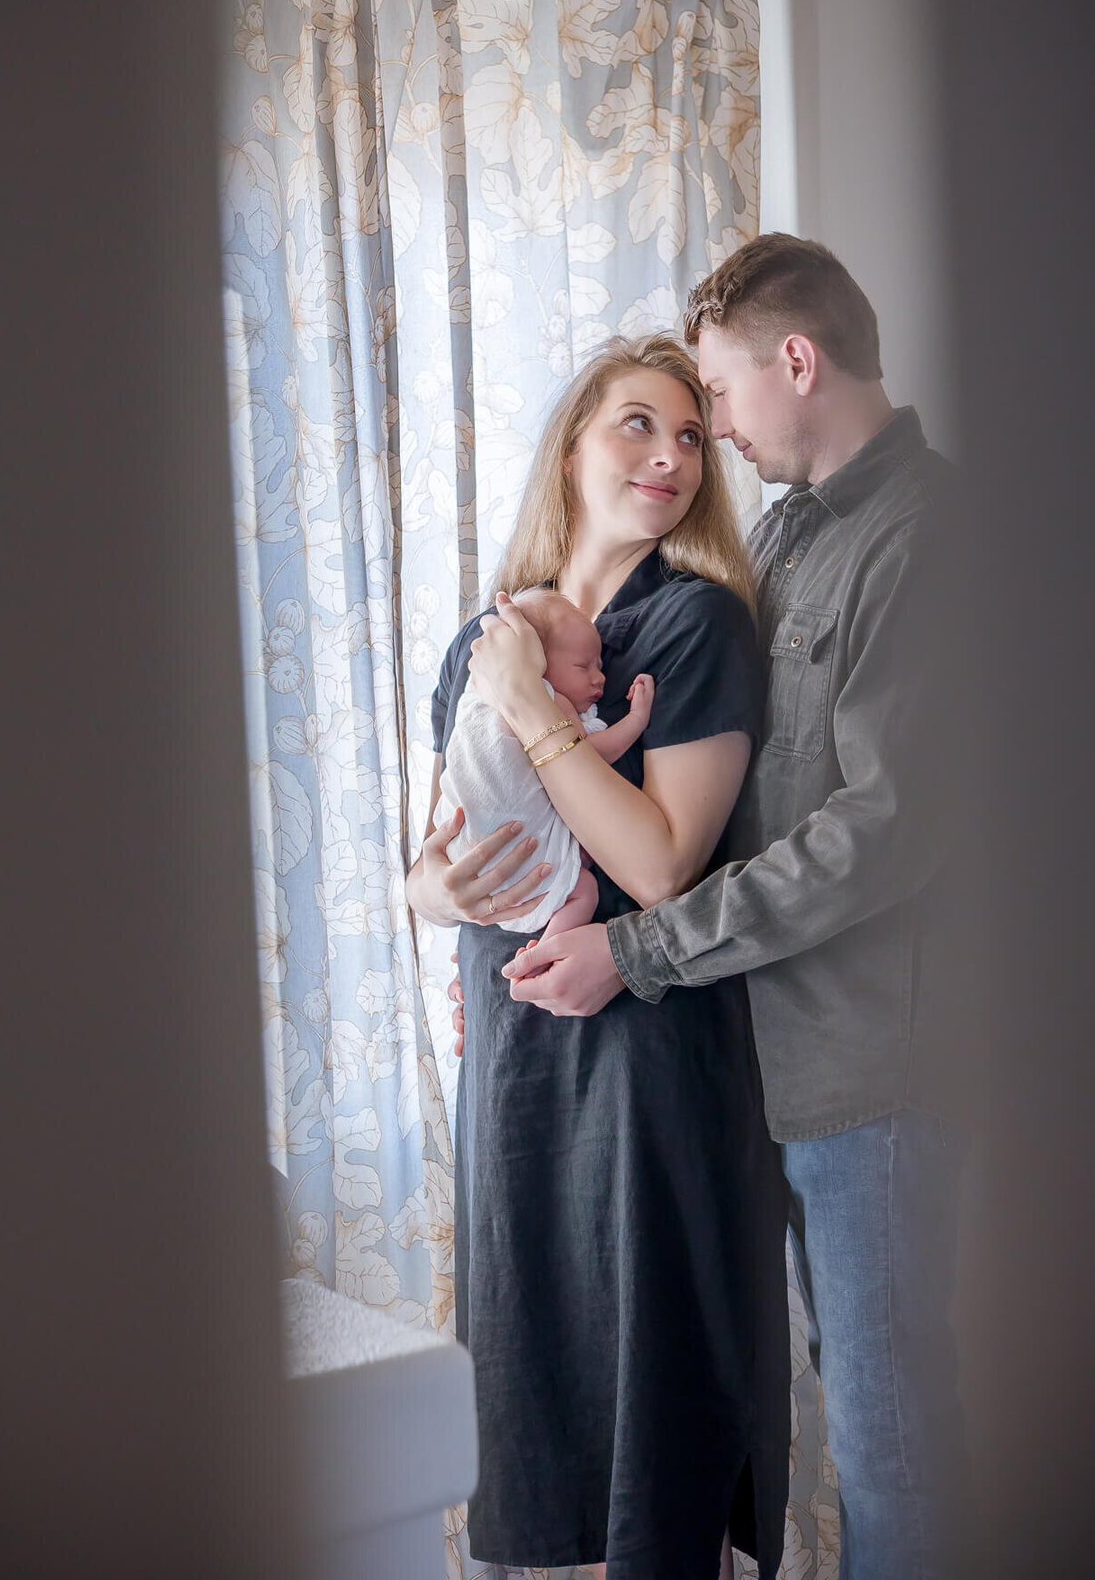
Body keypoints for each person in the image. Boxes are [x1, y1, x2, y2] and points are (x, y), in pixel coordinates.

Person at [490, 236, 966, 1580]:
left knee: (897, 1456)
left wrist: (633, 949)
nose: (706, 440)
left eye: (713, 399)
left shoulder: (927, 538)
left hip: (881, 1075)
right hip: (777, 1071)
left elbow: (875, 838)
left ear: (796, 362)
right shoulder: (795, 536)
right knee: (860, 1447)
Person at [406, 334, 790, 1580]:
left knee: (653, 1435)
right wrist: (430, 889)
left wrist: (532, 708)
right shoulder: (491, 630)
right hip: (514, 1068)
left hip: (644, 1071)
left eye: (690, 435)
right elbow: (428, 854)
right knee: (540, 1415)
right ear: (572, 447)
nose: (671, 457)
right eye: (637, 424)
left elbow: (659, 864)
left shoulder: (694, 625)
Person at [433, 587, 655, 938]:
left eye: (599, 665)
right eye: (583, 666)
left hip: (465, 852)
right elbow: (589, 755)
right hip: (502, 849)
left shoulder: (476, 694)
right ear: (536, 661)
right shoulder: (547, 700)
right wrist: (636, 720)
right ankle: (543, 953)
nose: (600, 677)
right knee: (584, 889)